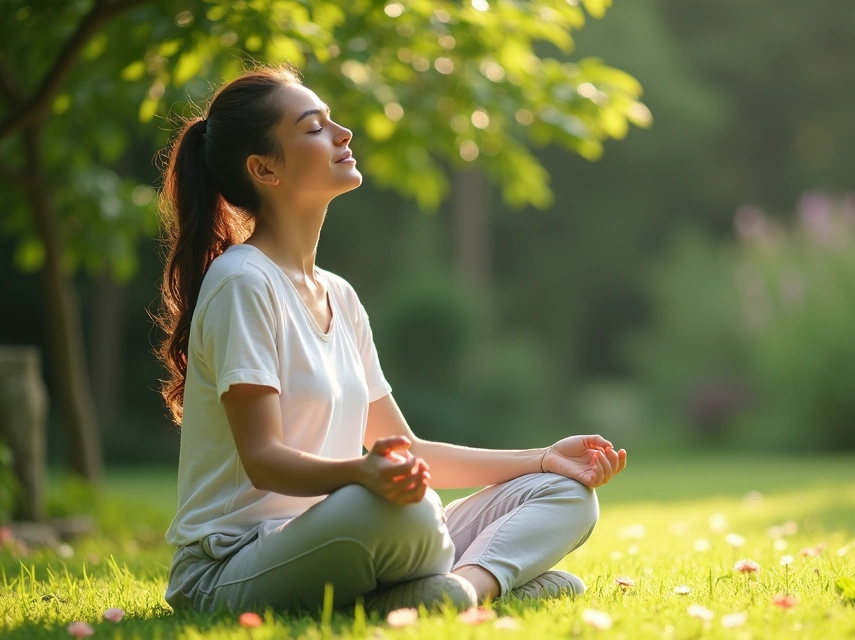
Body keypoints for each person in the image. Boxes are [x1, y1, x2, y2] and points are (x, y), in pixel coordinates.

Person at [152, 65, 628, 616]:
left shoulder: (341, 296)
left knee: (567, 496)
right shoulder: (243, 282)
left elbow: (412, 450)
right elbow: (264, 460)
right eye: (314, 127)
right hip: (231, 567)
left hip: (346, 531)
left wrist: (544, 459)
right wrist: (361, 473)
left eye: (333, 121)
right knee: (407, 511)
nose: (342, 134)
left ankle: (461, 588)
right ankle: (481, 581)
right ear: (264, 168)